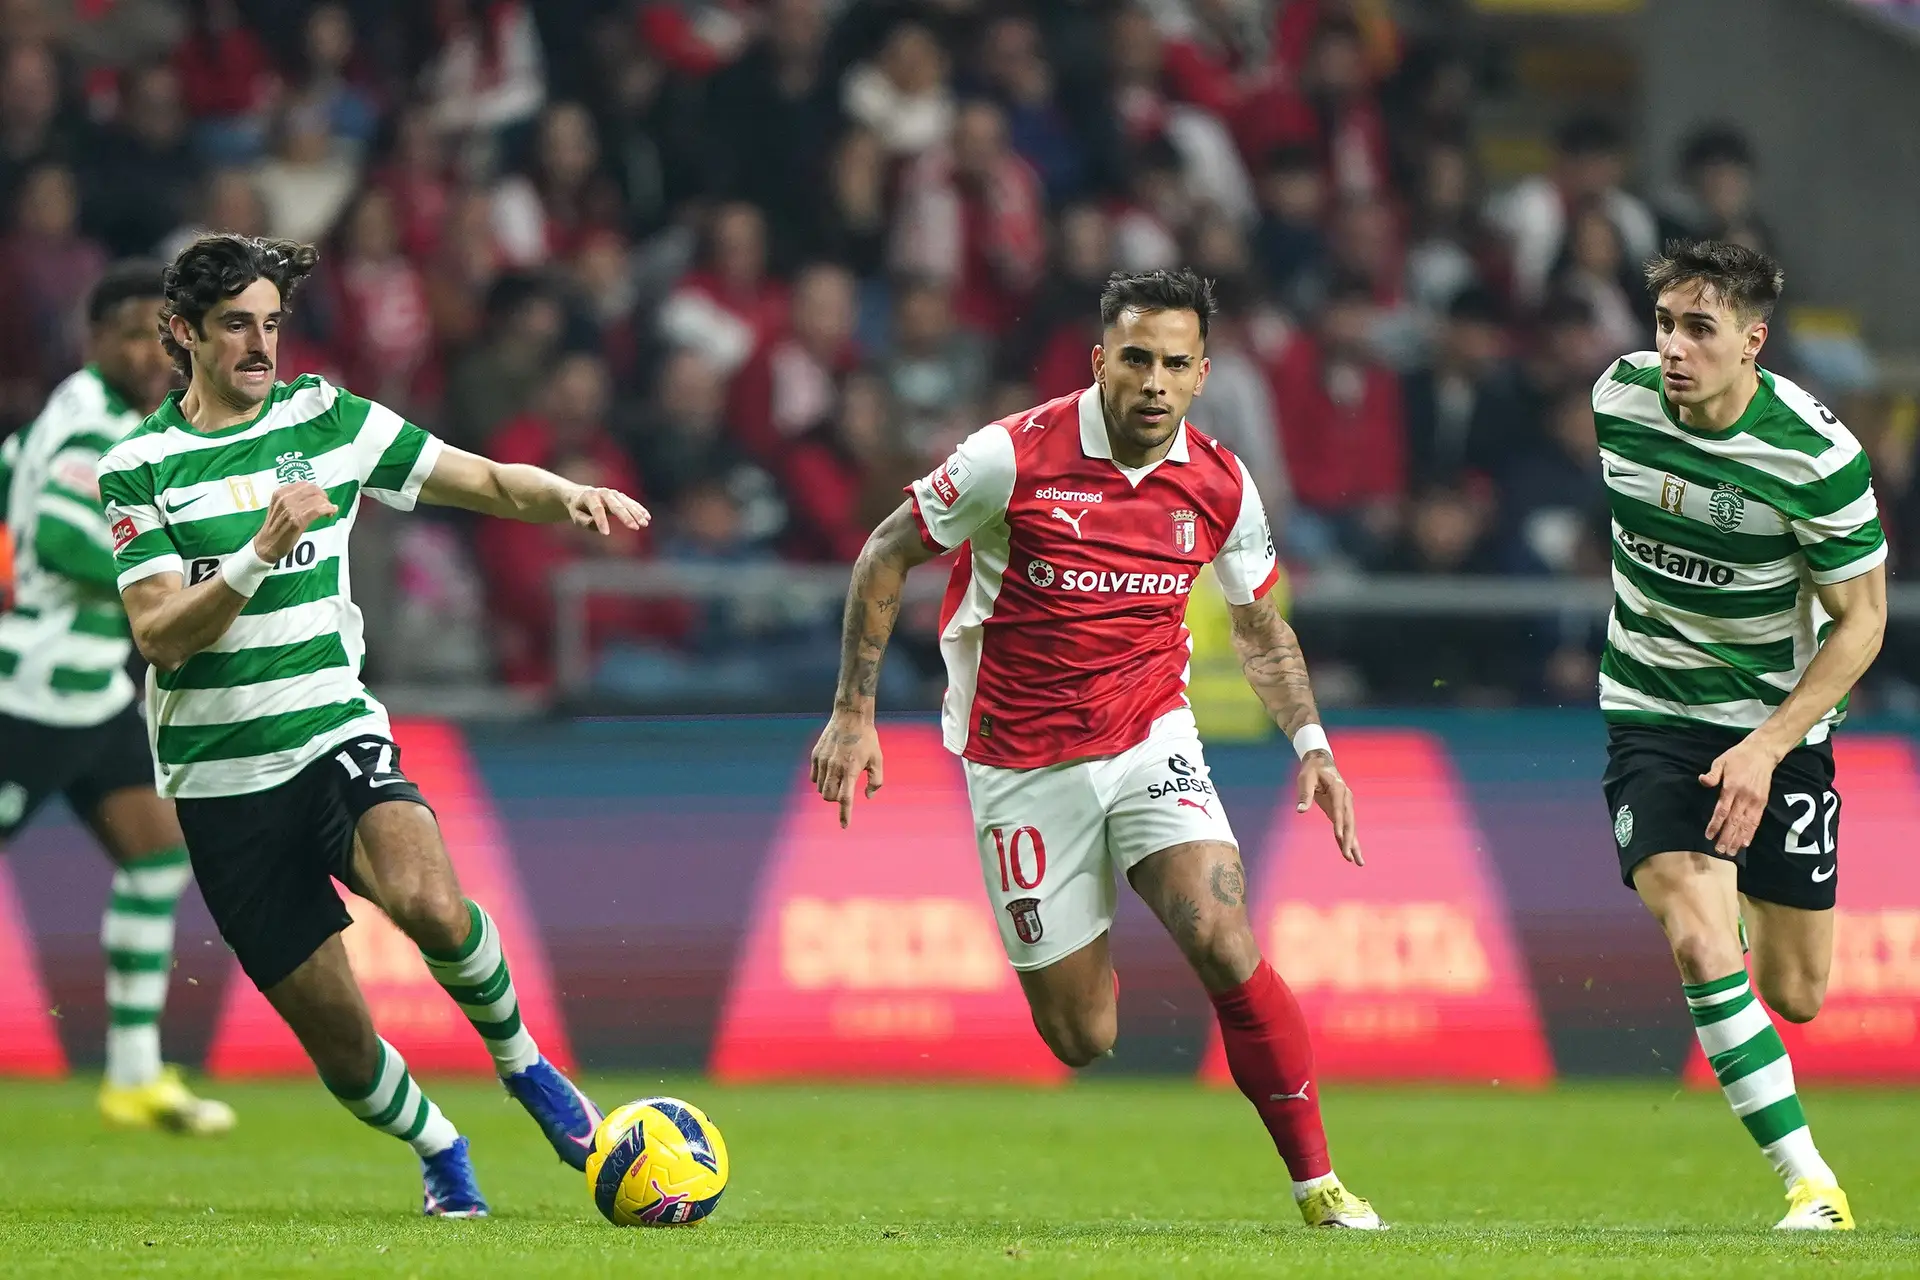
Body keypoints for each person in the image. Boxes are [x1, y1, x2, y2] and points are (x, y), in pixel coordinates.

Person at [809, 269, 1384, 1230]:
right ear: (1099, 362)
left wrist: (1313, 745)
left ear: (1203, 373)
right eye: (1135, 359)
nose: (1153, 381)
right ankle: (1084, 922)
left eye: (1174, 363)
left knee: (1223, 938)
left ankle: (1318, 1185)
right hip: (1021, 762)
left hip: (1151, 734)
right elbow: (884, 553)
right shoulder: (1008, 457)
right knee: (1083, 1035)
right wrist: (852, 713)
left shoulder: (1221, 483)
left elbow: (1258, 627)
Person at [96, 234, 644, 1217]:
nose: (261, 345)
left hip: (333, 730)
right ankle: (439, 1141)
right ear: (181, 333)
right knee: (342, 1040)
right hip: (221, 781)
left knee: (431, 901)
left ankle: (526, 1068)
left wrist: (566, 494)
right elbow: (162, 634)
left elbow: (474, 478)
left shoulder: (329, 420)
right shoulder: (138, 467)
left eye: (271, 321)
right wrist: (262, 550)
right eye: (235, 326)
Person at [1593, 241, 1887, 1231]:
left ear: (1753, 341)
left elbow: (1865, 619)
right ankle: (1813, 1183)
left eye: (1700, 329)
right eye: (1666, 324)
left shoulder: (1817, 456)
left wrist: (1767, 745)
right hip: (1652, 712)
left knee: (1796, 990)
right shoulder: (1617, 399)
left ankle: (1739, 946)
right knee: (1694, 928)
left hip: (1778, 726)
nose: (1673, 349)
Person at [0, 260, 233, 1134]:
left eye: (161, 334)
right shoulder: (94, 425)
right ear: (96, 339)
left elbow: (9, 473)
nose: (150, 350)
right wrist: (166, 588)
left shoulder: (79, 416)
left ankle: (134, 1074)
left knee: (157, 852)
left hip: (92, 694)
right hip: (26, 695)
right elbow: (61, 542)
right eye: (132, 333)